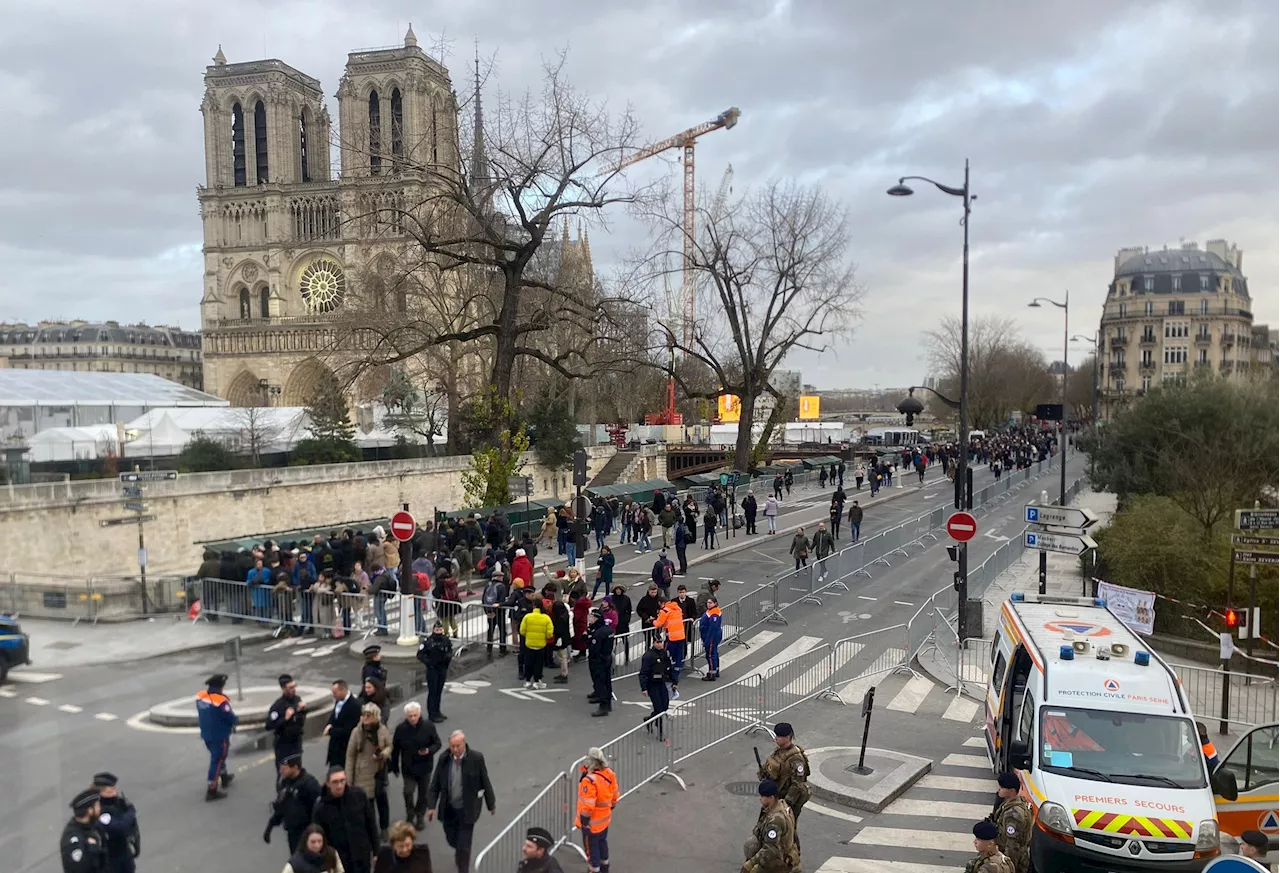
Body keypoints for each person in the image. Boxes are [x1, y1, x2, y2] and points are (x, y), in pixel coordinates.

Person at [426, 731, 497, 873]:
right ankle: (459, 851)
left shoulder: (476, 758)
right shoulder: (444, 759)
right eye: (452, 746)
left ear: (464, 744)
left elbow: (485, 781)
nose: (455, 749)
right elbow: (435, 784)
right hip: (449, 808)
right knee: (452, 839)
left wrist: (491, 804)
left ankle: (463, 867)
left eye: (458, 746)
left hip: (467, 809)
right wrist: (432, 806)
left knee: (464, 845)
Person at [313, 766, 380, 873]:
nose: (339, 785)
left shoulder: (359, 796)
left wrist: (376, 850)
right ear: (328, 783)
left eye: (342, 781)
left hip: (362, 855)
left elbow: (371, 823)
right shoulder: (320, 808)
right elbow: (319, 836)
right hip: (339, 860)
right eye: (335, 782)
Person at [390, 702, 442, 829]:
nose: (413, 718)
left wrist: (429, 750)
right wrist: (394, 765)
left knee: (423, 794)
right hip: (409, 768)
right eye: (410, 716)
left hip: (425, 767)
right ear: (406, 716)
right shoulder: (401, 729)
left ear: (419, 714)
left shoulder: (428, 726)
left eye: (415, 715)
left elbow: (437, 743)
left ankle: (419, 816)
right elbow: (395, 749)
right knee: (408, 792)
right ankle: (410, 812)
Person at [348, 702, 394, 840]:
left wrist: (383, 754)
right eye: (364, 715)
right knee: (367, 806)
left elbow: (389, 746)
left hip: (378, 773)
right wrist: (349, 780)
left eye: (369, 716)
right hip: (362, 774)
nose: (365, 719)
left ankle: (384, 827)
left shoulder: (382, 730)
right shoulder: (357, 732)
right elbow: (350, 756)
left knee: (382, 803)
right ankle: (371, 831)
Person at [264, 753, 322, 855]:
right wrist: (270, 826)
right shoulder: (285, 783)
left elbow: (319, 808)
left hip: (307, 832)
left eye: (284, 769)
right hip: (292, 832)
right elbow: (281, 807)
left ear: (295, 767)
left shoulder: (309, 784)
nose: (281, 772)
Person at [760, 723, 811, 838]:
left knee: (788, 830)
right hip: (776, 796)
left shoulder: (796, 759)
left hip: (788, 801)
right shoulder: (780, 751)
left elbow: (797, 784)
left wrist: (785, 804)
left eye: (779, 736)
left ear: (787, 737)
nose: (775, 738)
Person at [741, 779, 799, 873]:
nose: (760, 798)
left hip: (778, 857)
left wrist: (750, 863)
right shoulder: (783, 805)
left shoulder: (776, 820)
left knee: (751, 852)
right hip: (785, 850)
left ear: (771, 797)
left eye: (763, 796)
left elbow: (770, 849)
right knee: (752, 843)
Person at [576, 747, 619, 873]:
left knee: (592, 851)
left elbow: (588, 805)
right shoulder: (609, 773)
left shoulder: (589, 781)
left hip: (591, 824)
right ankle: (605, 869)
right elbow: (615, 795)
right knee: (602, 844)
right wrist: (610, 807)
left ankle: (594, 870)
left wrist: (584, 821)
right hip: (604, 820)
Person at [195, 673, 237, 801]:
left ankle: (224, 776)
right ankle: (212, 789)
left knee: (218, 757)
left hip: (206, 734)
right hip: (220, 735)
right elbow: (231, 717)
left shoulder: (200, 697)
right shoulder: (220, 701)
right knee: (217, 759)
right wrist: (235, 721)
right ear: (221, 686)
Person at [91, 772, 138, 873]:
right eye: (111, 790)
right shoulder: (100, 809)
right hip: (111, 858)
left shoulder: (118, 802)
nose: (114, 792)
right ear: (102, 791)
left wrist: (136, 843)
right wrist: (131, 812)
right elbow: (121, 826)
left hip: (124, 853)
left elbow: (132, 825)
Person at [61, 788, 107, 873]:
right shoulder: (73, 837)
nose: (100, 808)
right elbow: (78, 868)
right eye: (97, 805)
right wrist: (92, 849)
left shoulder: (92, 825)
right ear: (90, 810)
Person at [993, 772, 1032, 873]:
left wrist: (1008, 868)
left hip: (1014, 861)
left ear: (1011, 791)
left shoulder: (1013, 814)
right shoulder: (1010, 803)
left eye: (1002, 788)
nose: (999, 789)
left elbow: (1012, 846)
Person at [416, 621, 453, 723]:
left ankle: (437, 711)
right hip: (432, 670)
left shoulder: (445, 640)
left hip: (442, 669)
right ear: (433, 630)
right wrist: (429, 663)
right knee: (433, 692)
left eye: (440, 629)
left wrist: (447, 660)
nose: (439, 631)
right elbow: (420, 655)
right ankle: (432, 714)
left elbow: (450, 651)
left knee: (439, 691)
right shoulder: (428, 641)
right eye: (437, 630)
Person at [269, 673, 308, 767]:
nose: (294, 689)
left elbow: (300, 719)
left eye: (294, 686)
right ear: (283, 689)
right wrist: (285, 719)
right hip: (283, 746)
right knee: (284, 775)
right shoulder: (277, 706)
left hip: (296, 743)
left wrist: (303, 710)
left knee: (298, 772)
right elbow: (269, 725)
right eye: (290, 687)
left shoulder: (297, 699)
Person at [639, 635, 673, 740]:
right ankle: (660, 732)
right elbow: (643, 673)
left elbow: (668, 668)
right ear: (653, 643)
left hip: (661, 683)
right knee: (658, 709)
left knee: (665, 706)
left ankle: (649, 719)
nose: (660, 644)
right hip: (652, 684)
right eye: (657, 642)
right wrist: (644, 688)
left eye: (661, 642)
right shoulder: (648, 656)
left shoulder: (664, 653)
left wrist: (674, 680)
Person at [654, 597, 687, 697]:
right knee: (678, 658)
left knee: (667, 657)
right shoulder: (677, 608)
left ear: (662, 603)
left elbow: (658, 624)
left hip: (671, 638)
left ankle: (668, 677)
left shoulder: (665, 610)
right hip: (681, 636)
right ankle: (676, 678)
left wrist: (654, 621)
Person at [325, 679, 362, 768]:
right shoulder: (339, 701)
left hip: (345, 749)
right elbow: (334, 715)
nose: (333, 695)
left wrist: (330, 731)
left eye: (335, 693)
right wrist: (329, 723)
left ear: (343, 690)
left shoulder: (355, 705)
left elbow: (349, 730)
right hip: (335, 749)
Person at [518, 600, 554, 690]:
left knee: (528, 662)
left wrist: (529, 635)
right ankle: (537, 681)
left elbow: (522, 630)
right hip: (540, 644)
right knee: (538, 663)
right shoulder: (546, 618)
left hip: (529, 643)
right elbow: (550, 633)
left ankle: (528, 680)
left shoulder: (527, 617)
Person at [587, 607, 614, 717]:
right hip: (607, 658)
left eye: (592, 617)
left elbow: (594, 648)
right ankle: (608, 704)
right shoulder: (608, 629)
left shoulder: (598, 633)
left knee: (600, 683)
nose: (590, 619)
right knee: (607, 682)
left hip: (599, 660)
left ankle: (603, 706)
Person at [700, 596, 723, 681]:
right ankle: (715, 670)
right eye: (708, 603)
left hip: (711, 637)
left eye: (710, 603)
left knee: (710, 655)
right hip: (712, 636)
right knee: (714, 653)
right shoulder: (712, 611)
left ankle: (712, 674)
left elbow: (712, 628)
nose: (708, 604)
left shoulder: (714, 613)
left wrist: (707, 640)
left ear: (715, 603)